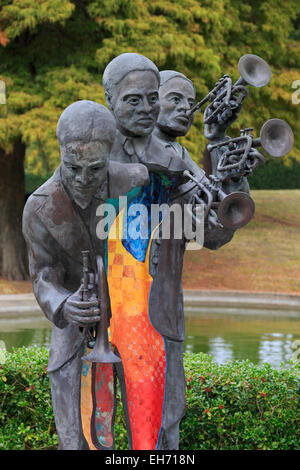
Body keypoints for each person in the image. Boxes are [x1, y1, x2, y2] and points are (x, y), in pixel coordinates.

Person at [102, 55, 243, 450]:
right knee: (105, 416)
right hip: (106, 307)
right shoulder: (110, 143)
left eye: (190, 102)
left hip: (160, 311)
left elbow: (216, 232)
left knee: (165, 417)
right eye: (175, 99)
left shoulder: (180, 159)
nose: (185, 109)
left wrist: (219, 146)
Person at [22, 100, 149, 450]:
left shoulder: (135, 182)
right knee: (64, 384)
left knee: (147, 408)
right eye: (72, 167)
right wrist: (63, 304)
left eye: (94, 169)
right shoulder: (39, 206)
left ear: (110, 155)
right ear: (60, 151)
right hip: (77, 315)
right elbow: (43, 272)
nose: (82, 179)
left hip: (130, 312)